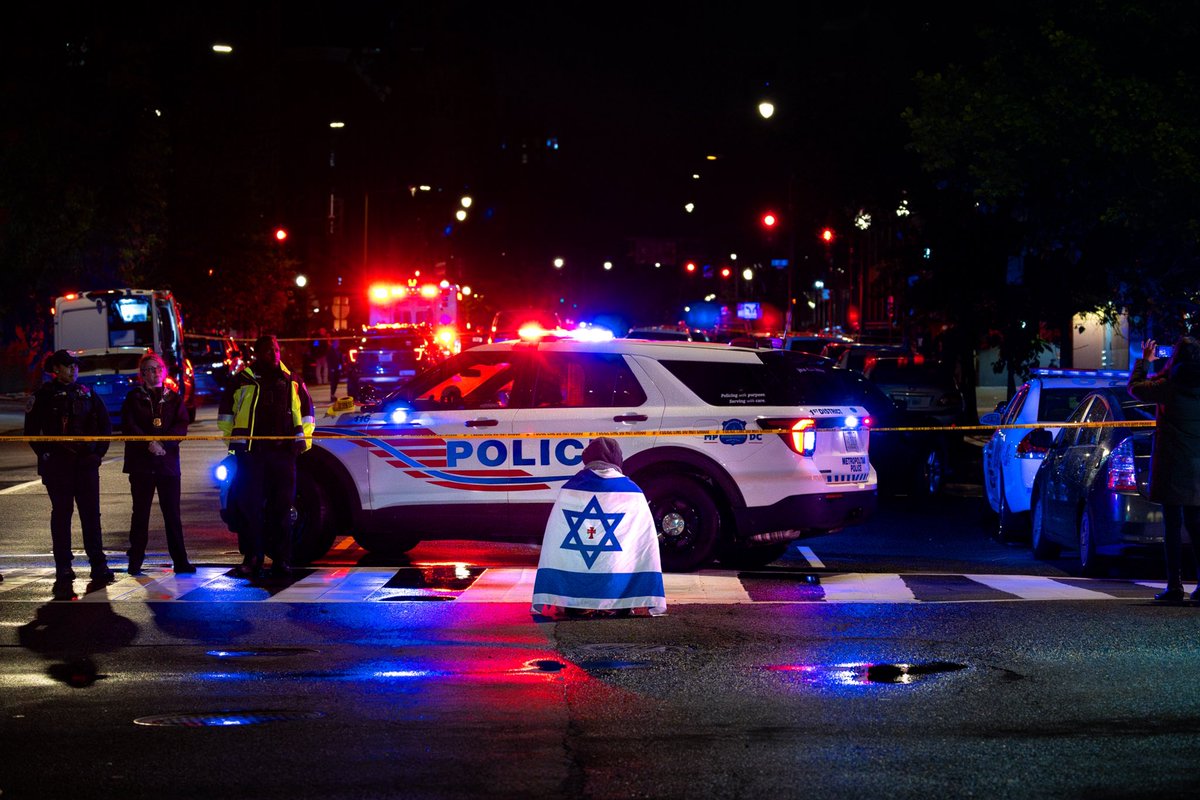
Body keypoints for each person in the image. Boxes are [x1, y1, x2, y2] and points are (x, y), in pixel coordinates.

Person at [531, 437, 666, 618]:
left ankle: (577, 603)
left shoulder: (570, 488)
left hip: (575, 590)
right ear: (617, 459)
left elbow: (555, 541)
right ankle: (616, 603)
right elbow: (643, 543)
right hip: (617, 586)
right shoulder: (632, 491)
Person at [218, 334, 315, 578]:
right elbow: (225, 417)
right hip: (251, 456)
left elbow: (307, 415)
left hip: (283, 456)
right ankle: (252, 559)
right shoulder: (241, 381)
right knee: (249, 509)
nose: (275, 354)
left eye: (277, 350)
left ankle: (282, 560)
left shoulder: (292, 380)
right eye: (269, 350)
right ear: (258, 354)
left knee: (281, 510)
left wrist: (300, 442)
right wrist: (236, 445)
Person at [24, 349, 114, 587]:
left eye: (75, 365)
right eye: (68, 365)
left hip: (85, 465)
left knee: (91, 516)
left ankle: (98, 564)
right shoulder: (43, 396)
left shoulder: (87, 393)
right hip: (58, 467)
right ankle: (63, 566)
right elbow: (32, 433)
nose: (74, 369)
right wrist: (46, 455)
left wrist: (97, 455)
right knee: (62, 516)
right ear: (55, 369)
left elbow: (105, 427)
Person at [1128, 336, 1200, 603]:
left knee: (1172, 525)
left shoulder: (1168, 385)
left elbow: (1135, 388)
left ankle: (1175, 586)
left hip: (1173, 464)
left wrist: (1145, 362)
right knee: (1196, 525)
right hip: (1197, 466)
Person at [121, 351, 194, 575]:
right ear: (142, 374)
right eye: (150, 370)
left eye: (158, 369)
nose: (155, 373)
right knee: (140, 514)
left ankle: (180, 561)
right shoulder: (133, 398)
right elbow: (129, 425)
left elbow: (182, 424)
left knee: (172, 514)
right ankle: (135, 561)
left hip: (168, 464)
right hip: (141, 464)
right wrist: (148, 444)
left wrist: (163, 444)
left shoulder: (173, 398)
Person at [326, 336, 342, 402]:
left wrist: (340, 365)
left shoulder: (338, 350)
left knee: (336, 382)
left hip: (337, 368)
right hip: (333, 368)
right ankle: (332, 395)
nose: (338, 343)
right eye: (337, 342)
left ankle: (333, 394)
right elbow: (329, 360)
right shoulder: (330, 350)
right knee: (333, 382)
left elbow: (340, 358)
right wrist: (331, 368)